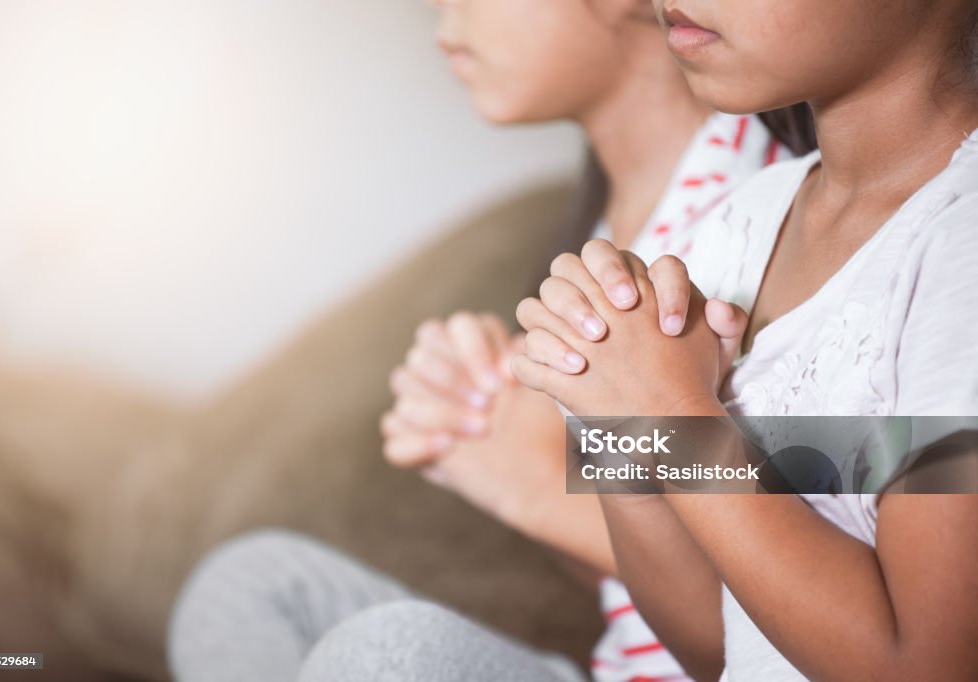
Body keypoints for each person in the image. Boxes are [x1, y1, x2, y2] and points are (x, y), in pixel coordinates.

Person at [167, 1, 812, 680]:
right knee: (250, 584)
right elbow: (627, 588)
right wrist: (488, 432)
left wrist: (536, 481)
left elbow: (796, 555)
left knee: (391, 655)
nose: (445, 29)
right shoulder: (601, 233)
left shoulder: (762, 222)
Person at [503, 0, 978, 680]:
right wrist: (625, 422)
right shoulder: (749, 216)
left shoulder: (963, 246)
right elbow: (714, 650)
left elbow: (925, 667)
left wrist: (675, 418)